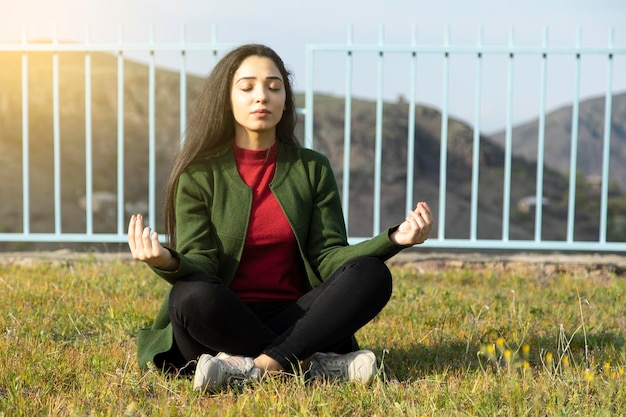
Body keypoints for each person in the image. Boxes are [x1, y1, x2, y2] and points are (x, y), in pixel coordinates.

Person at [128, 43, 433, 392]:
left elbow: (329, 256)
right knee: (189, 296)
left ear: (285, 99)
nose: (262, 96)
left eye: (274, 87)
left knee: (371, 274)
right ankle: (312, 364)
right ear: (226, 98)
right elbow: (204, 264)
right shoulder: (198, 175)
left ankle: (259, 367)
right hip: (226, 318)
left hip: (299, 317)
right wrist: (166, 261)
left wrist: (394, 240)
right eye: (247, 87)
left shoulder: (312, 168)